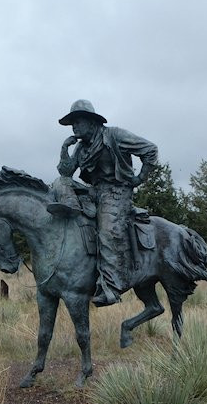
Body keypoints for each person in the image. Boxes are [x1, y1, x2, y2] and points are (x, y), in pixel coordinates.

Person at [53, 99, 158, 307]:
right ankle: (72, 207)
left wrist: (139, 179)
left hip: (117, 192)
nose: (74, 126)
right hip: (95, 191)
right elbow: (66, 172)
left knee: (107, 230)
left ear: (91, 122)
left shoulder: (115, 135)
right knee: (59, 182)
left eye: (78, 121)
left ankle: (110, 288)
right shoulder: (81, 147)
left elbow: (150, 150)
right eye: (72, 123)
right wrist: (65, 148)